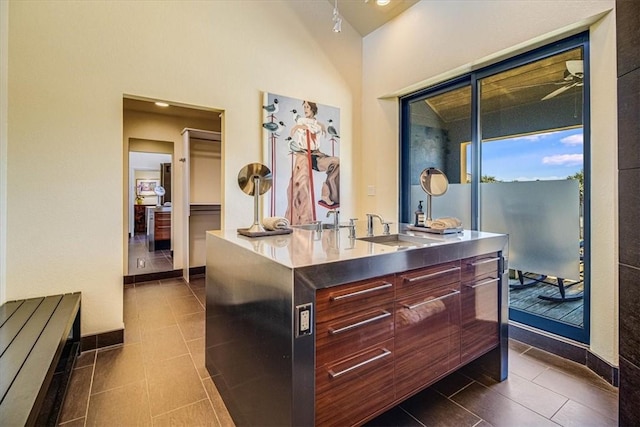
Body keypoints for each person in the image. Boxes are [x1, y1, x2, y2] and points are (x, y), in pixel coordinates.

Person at [285, 100, 340, 224]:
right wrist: (299, 127)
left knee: (336, 162)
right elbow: (311, 128)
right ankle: (302, 219)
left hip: (316, 154)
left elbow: (315, 128)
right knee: (302, 186)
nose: (305, 109)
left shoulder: (317, 124)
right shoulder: (301, 121)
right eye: (304, 106)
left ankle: (327, 194)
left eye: (307, 107)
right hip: (303, 154)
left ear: (312, 108)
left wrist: (318, 126)